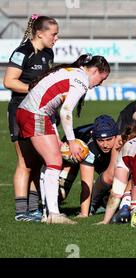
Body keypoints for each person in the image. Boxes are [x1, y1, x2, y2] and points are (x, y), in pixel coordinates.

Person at [16, 54, 110, 224]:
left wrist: (58, 139)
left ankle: (47, 213)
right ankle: (53, 214)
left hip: (28, 112)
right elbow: (65, 112)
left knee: (49, 163)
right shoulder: (81, 80)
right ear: (95, 71)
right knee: (54, 163)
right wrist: (72, 141)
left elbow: (51, 109)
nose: (99, 84)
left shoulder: (72, 72)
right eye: (101, 79)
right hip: (35, 114)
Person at [3, 14, 58, 221]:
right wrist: (35, 91)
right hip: (20, 110)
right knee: (25, 162)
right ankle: (20, 212)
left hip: (40, 112)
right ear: (40, 33)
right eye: (53, 34)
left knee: (38, 162)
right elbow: (9, 81)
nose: (56, 38)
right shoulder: (22, 52)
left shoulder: (49, 53)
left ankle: (34, 209)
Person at [58, 115, 120, 218]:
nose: (105, 145)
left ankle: (100, 202)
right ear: (94, 137)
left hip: (101, 158)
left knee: (115, 188)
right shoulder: (89, 148)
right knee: (61, 191)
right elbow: (86, 184)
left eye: (109, 139)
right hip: (75, 149)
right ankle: (45, 207)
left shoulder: (121, 141)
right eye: (100, 140)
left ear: (116, 135)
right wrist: (84, 214)